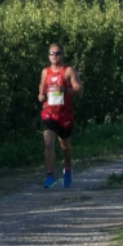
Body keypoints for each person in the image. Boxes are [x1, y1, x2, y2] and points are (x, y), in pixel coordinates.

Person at [39, 43, 83, 188]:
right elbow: (40, 92)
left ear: (62, 54)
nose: (54, 56)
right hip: (49, 112)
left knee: (65, 146)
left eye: (57, 53)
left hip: (65, 114)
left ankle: (68, 169)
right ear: (48, 56)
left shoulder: (68, 71)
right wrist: (42, 96)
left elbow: (78, 88)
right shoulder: (45, 72)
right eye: (51, 54)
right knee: (48, 142)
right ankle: (50, 174)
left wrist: (64, 89)